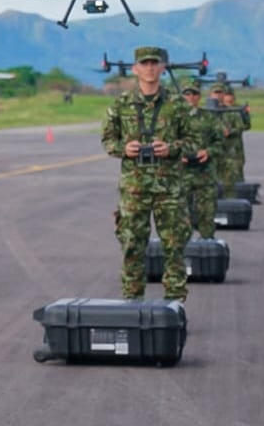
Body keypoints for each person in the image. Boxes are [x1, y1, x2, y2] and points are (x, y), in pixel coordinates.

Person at [101, 46, 197, 302]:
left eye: (155, 63)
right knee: (132, 246)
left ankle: (175, 304)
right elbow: (108, 140)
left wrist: (172, 148)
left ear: (163, 68)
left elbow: (193, 141)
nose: (150, 68)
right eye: (144, 64)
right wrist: (124, 148)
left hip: (170, 189)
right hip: (135, 188)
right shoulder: (121, 104)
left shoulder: (177, 105)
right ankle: (133, 304)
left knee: (174, 248)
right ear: (135, 69)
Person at [179, 79, 222, 239]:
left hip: (205, 174)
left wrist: (208, 152)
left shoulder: (209, 118)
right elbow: (164, 143)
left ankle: (207, 249)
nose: (190, 97)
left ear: (199, 97)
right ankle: (184, 252)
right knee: (182, 215)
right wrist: (178, 155)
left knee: (207, 213)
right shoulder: (173, 119)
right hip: (182, 174)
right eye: (187, 94)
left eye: (194, 94)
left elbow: (220, 143)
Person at [210, 83, 245, 198]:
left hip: (229, 154)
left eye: (220, 93)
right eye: (215, 93)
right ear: (211, 95)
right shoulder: (206, 113)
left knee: (230, 184)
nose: (218, 96)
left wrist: (230, 131)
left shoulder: (232, 112)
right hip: (211, 155)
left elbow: (240, 127)